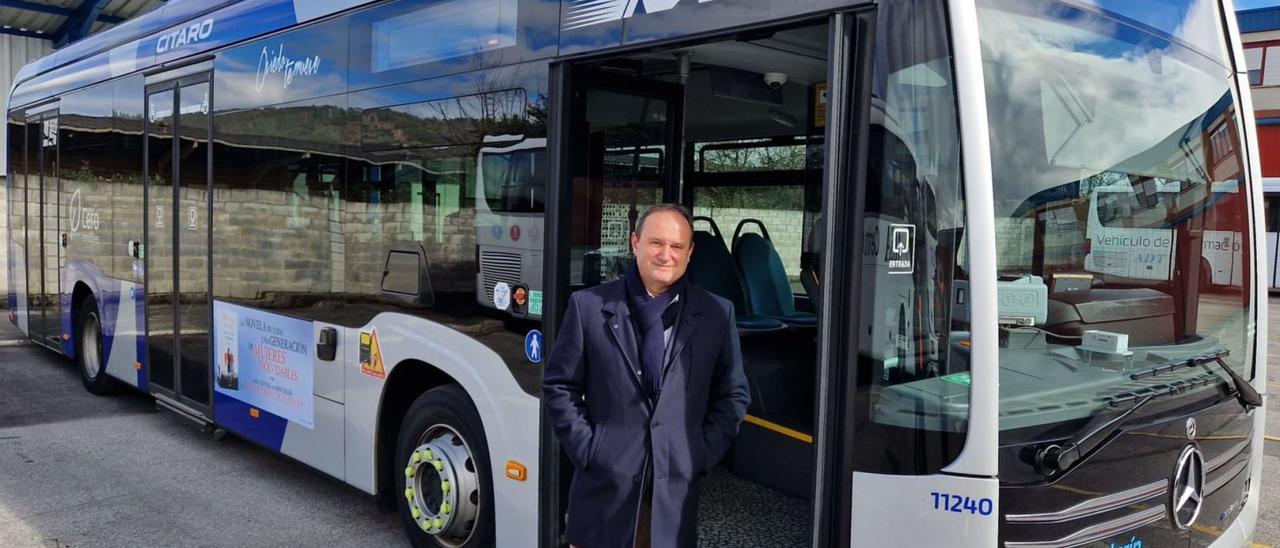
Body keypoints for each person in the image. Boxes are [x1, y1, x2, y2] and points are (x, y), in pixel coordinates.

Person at [542, 203, 750, 548]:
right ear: (635, 242)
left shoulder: (716, 313)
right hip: (605, 491)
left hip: (674, 494)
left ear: (690, 252)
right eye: (656, 243)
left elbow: (733, 395)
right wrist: (591, 449)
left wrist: (700, 453)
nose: (666, 255)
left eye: (677, 246)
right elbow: (560, 386)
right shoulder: (588, 307)